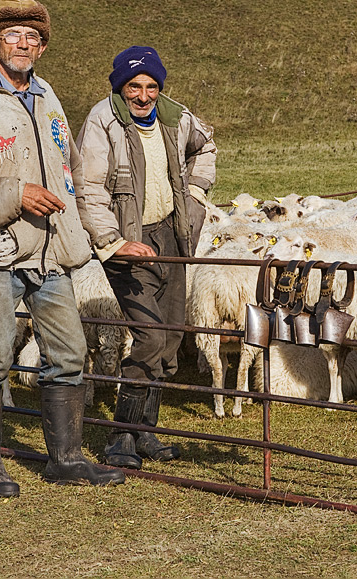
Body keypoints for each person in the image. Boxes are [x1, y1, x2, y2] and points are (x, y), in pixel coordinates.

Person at [0, 0, 124, 496]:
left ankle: (66, 459)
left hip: (51, 252)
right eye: (12, 35)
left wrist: (94, 233)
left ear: (42, 47)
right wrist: (15, 194)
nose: (23, 44)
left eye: (32, 37)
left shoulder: (45, 95)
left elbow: (70, 168)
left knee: (69, 354)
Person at [77, 46, 216, 469]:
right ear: (121, 86)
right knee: (150, 336)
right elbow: (88, 187)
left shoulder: (175, 117)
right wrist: (114, 242)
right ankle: (120, 436)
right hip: (128, 243)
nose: (143, 95)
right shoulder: (103, 121)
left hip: (170, 237)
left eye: (151, 86)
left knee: (169, 339)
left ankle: (145, 433)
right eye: (134, 86)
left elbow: (206, 146)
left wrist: (194, 195)